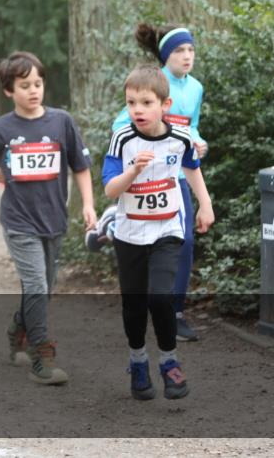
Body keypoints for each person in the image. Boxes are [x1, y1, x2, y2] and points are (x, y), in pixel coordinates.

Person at [0, 51, 97, 385]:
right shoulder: (2, 129)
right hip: (19, 222)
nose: (34, 90)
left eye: (38, 83)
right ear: (9, 91)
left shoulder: (61, 121)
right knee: (35, 285)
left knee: (44, 290)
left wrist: (88, 205)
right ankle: (41, 358)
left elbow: (80, 165)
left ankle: (18, 328)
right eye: (24, 85)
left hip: (54, 219)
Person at [102, 64, 214, 401]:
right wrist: (134, 171)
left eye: (146, 102)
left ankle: (169, 362)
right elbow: (110, 189)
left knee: (161, 296)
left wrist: (205, 205)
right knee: (134, 305)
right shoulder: (123, 139)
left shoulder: (180, 138)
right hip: (131, 234)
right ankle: (138, 361)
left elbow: (192, 170)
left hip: (167, 229)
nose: (138, 109)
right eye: (131, 102)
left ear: (165, 105)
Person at [111, 24, 206, 341]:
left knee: (185, 244)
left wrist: (197, 141)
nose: (187, 56)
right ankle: (110, 219)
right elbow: (122, 125)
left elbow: (192, 128)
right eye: (180, 50)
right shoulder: (151, 83)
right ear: (166, 55)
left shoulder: (195, 89)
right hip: (138, 178)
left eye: (191, 49)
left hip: (173, 178)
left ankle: (175, 312)